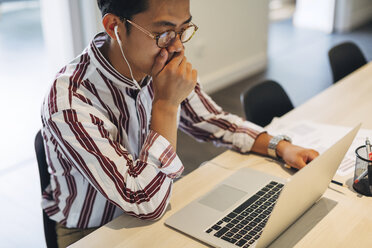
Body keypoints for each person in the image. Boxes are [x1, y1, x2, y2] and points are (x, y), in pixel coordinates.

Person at [40, 0, 319, 246]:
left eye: (183, 29)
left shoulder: (157, 59)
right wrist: (166, 105)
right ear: (114, 26)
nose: (177, 46)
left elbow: (211, 120)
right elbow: (143, 201)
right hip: (93, 232)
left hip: (155, 200)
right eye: (162, 33)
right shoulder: (69, 99)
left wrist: (280, 147)